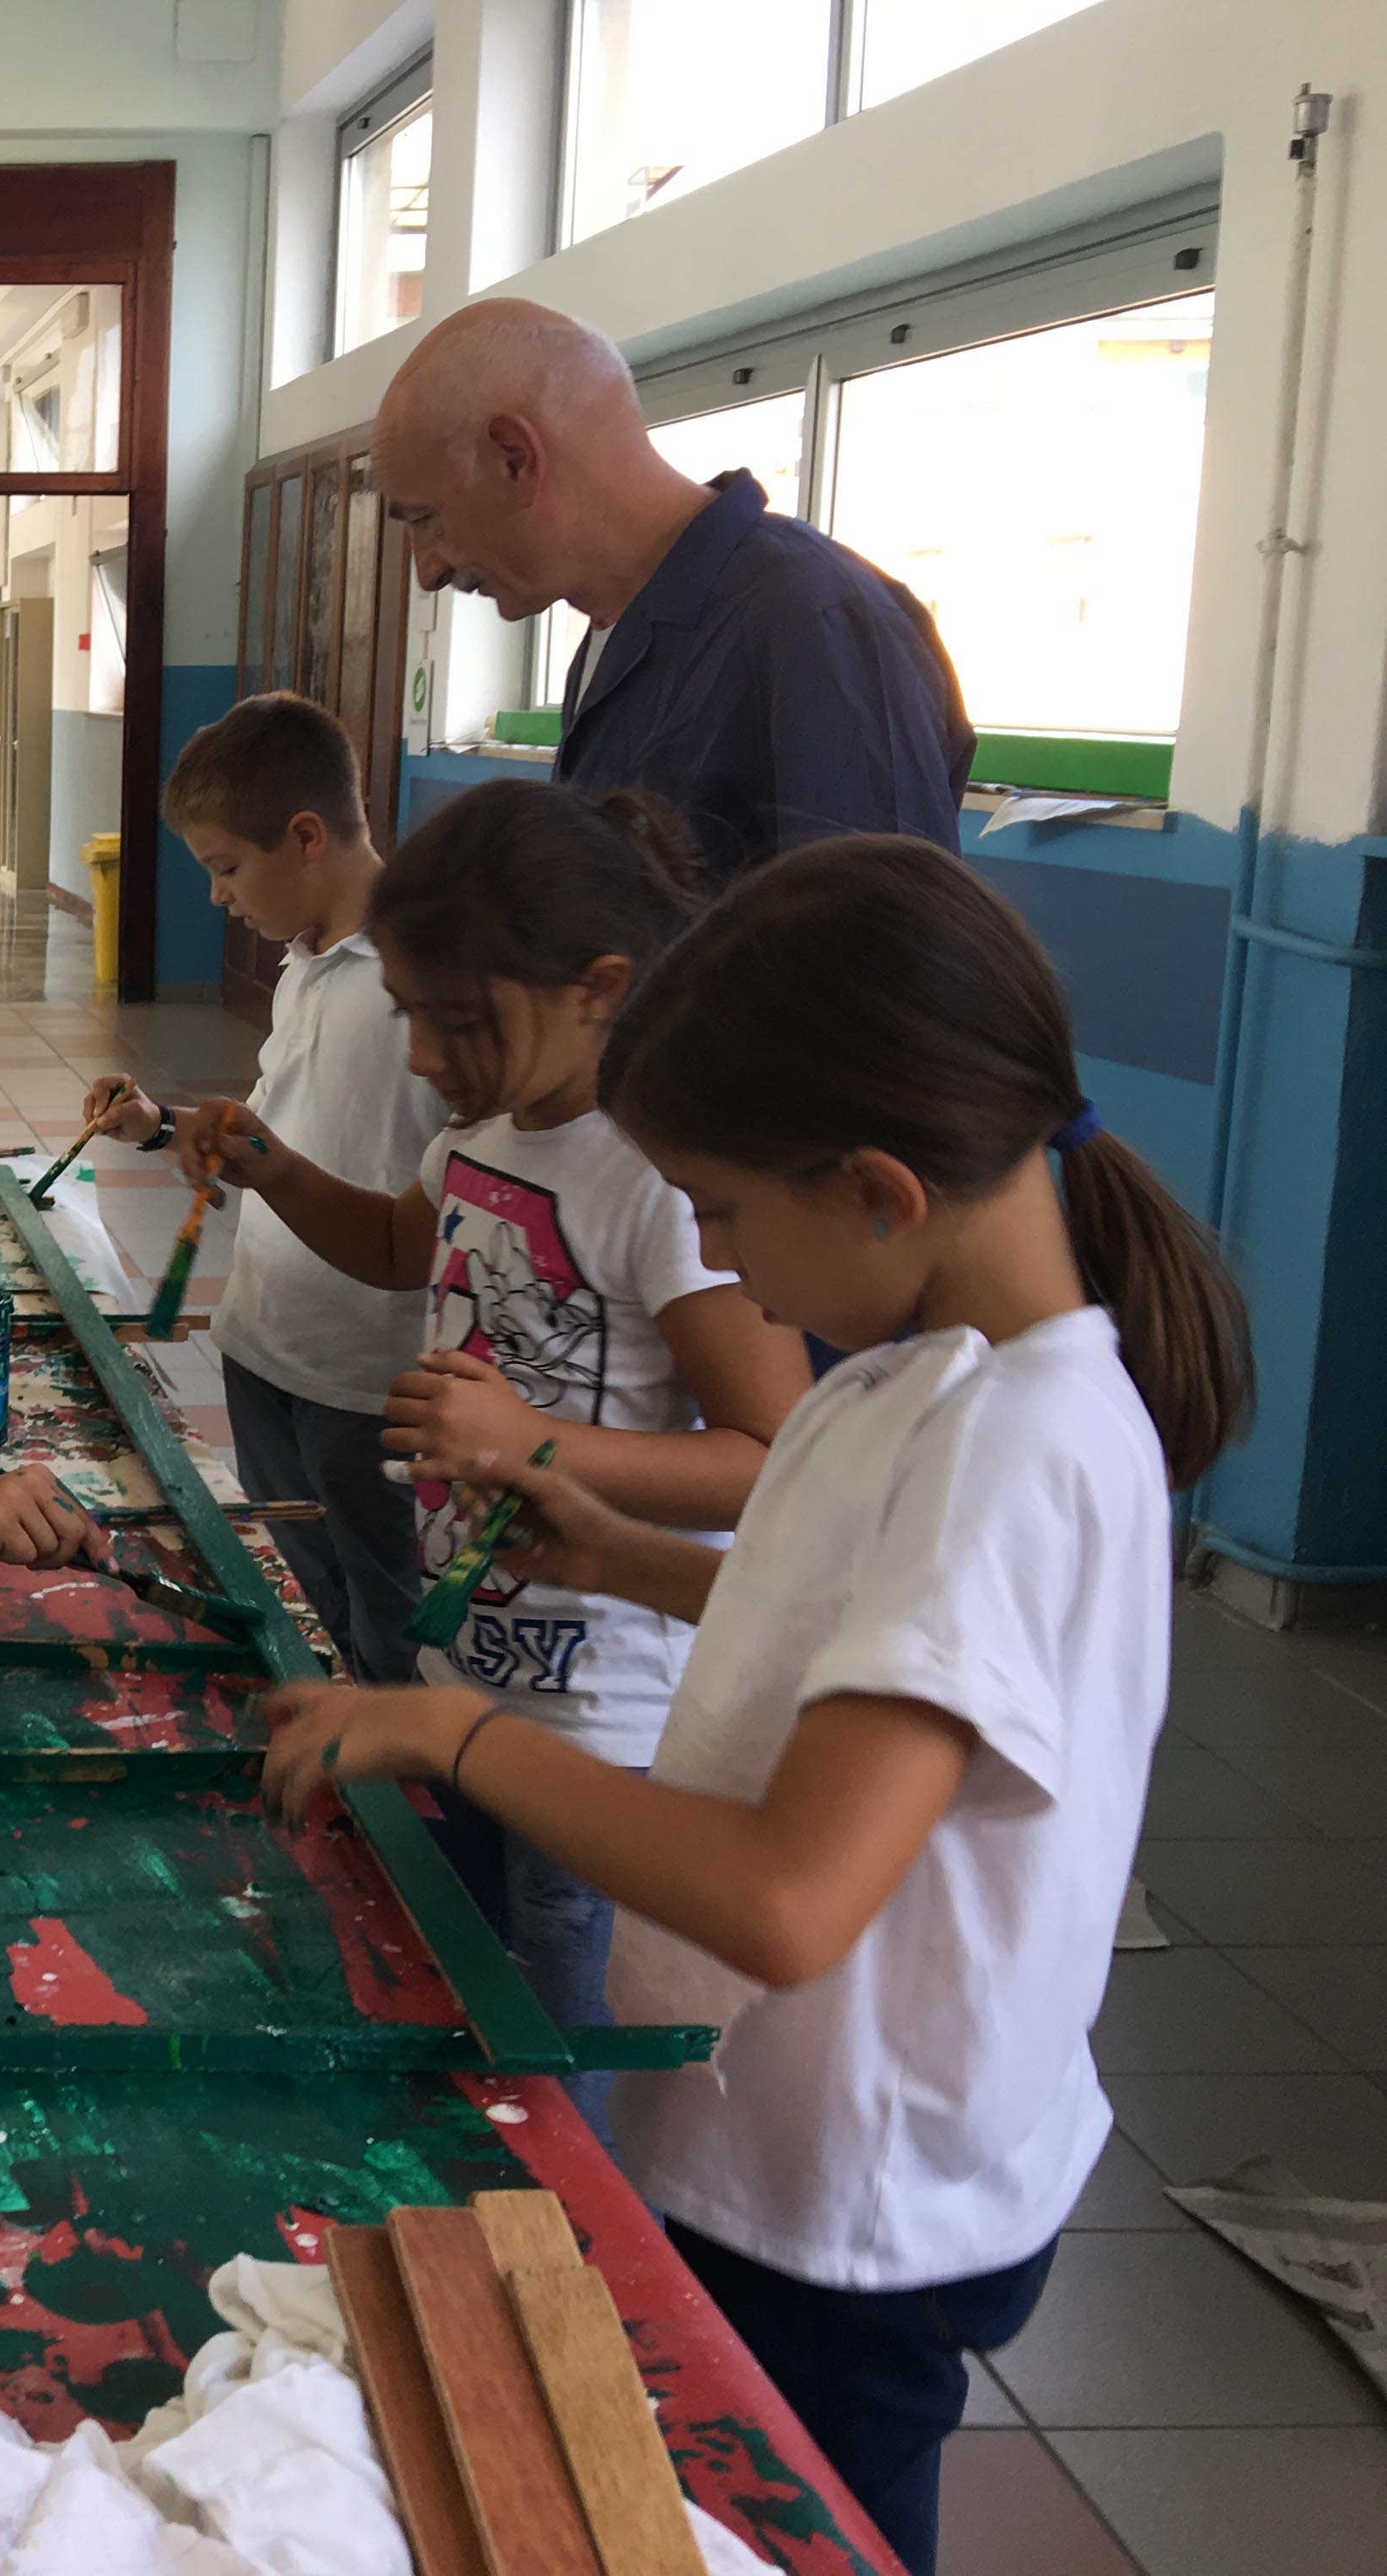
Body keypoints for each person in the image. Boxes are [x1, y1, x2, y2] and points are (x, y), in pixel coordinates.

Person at [256, 837, 1249, 2575]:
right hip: (803, 2152)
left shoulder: (1009, 1444)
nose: (714, 1258)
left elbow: (790, 1900)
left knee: (822, 2534)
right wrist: (623, 1551)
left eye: (717, 1208)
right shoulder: (931, 1374)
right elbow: (863, 1646)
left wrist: (449, 1733)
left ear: (875, 1188)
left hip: (850, 2209)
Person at [172, 776, 809, 2126]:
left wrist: (534, 1441)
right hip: (472, 1657)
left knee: (554, 2028)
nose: (420, 1058)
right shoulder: (479, 1128)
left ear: (599, 987)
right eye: (410, 1014)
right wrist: (277, 1169)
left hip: (605, 1709)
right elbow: (407, 1250)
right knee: (447, 1971)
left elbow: (773, 1455)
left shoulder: (660, 1182)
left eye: (455, 1021)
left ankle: (570, 2244)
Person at [76, 693, 448, 1682]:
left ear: (307, 837)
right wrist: (163, 1129)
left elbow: (421, 1216)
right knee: (324, 1598)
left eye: (226, 868)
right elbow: (287, 1142)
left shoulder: (423, 987)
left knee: (398, 1632)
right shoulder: (303, 966)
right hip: (268, 1349)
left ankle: (412, 1818)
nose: (217, 897)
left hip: (369, 1381)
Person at [372, 299, 974, 877]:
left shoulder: (816, 621)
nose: (428, 571)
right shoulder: (614, 640)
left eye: (426, 519)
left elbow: (886, 964)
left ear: (515, 457)